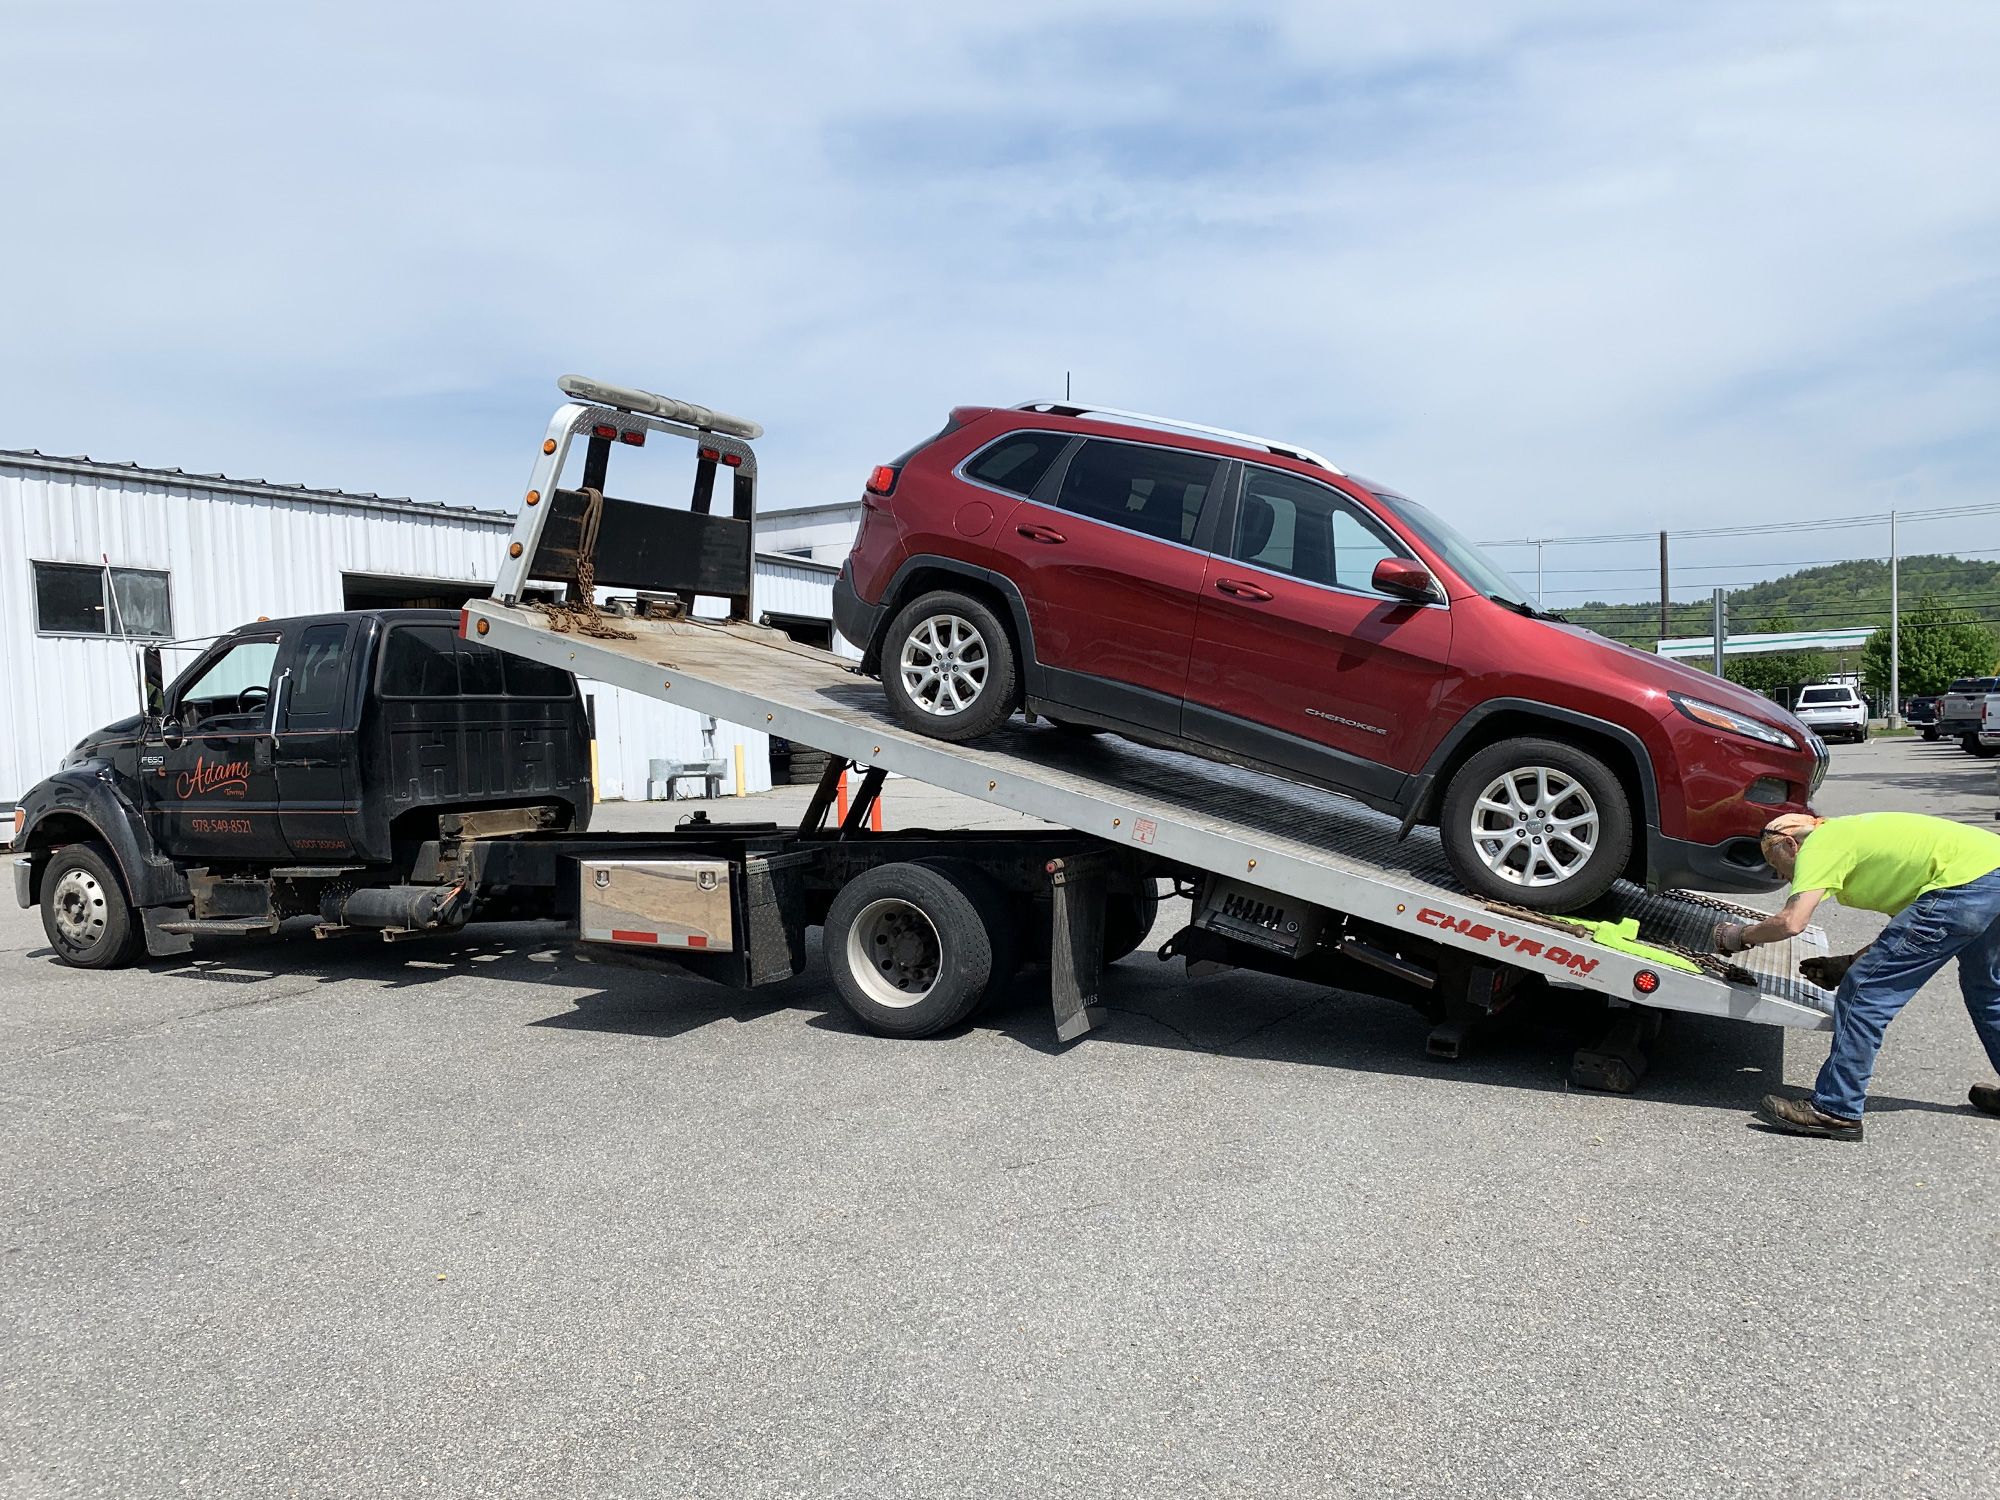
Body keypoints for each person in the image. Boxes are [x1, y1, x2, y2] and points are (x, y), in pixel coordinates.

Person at [1714, 810, 2000, 1141]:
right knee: (1987, 990)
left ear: (1791, 845)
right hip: (1989, 872)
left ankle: (1835, 1109)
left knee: (1865, 992)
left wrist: (1740, 936)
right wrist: (1849, 961)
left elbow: (1792, 922)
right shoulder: (1855, 838)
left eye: (1776, 865)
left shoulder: (1820, 844)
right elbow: (1906, 932)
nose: (1781, 876)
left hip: (1965, 885)